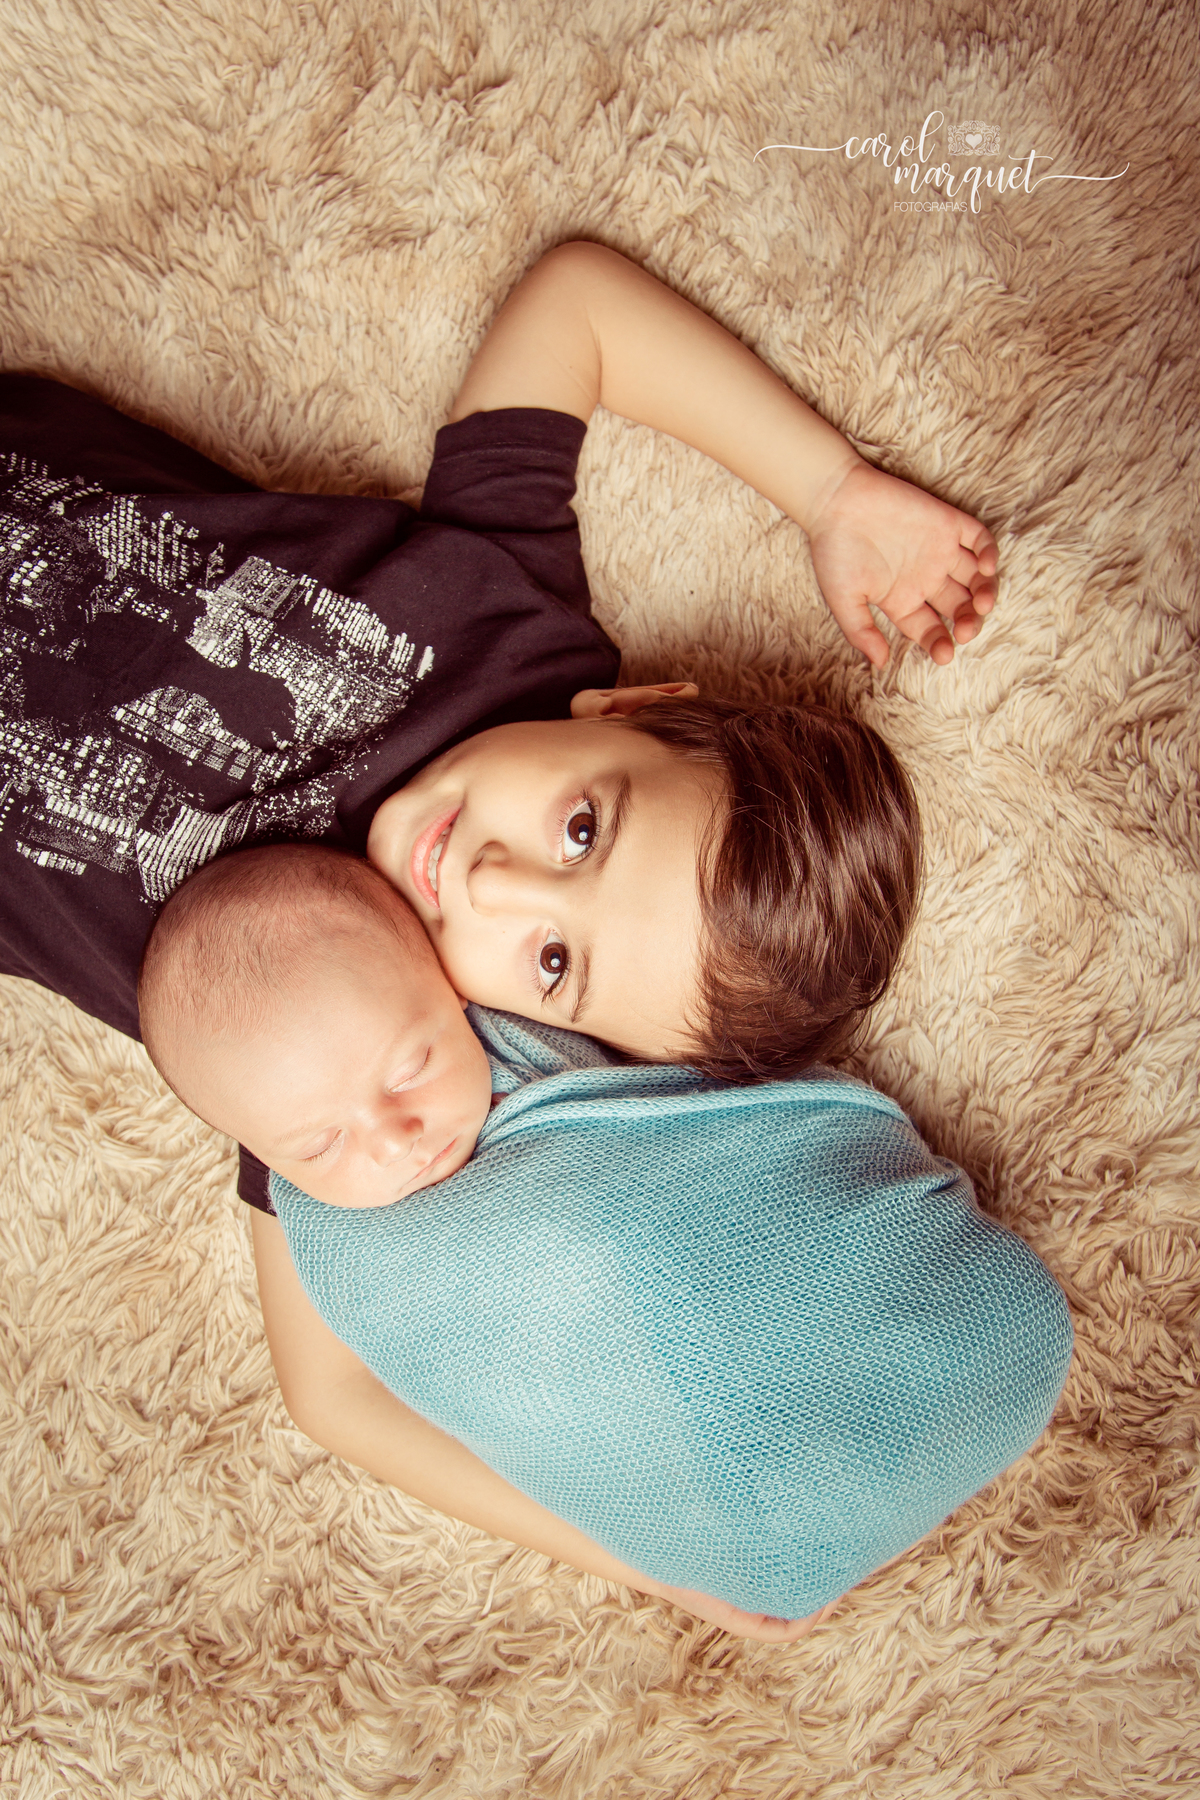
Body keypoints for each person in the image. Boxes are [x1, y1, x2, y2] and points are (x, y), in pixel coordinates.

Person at [1, 239, 998, 1631]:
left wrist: (646, 1563)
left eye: (552, 963)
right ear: (628, 711)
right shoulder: (507, 620)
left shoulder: (361, 1040)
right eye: (587, 831)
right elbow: (578, 306)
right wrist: (829, 491)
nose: (494, 879)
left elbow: (332, 1392)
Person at [136, 841, 1072, 1640]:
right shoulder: (327, 1210)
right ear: (265, 1152)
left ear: (445, 983)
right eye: (319, 1144)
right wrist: (652, 1561)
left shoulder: (508, 991)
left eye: (411, 1066)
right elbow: (347, 1395)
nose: (393, 1139)